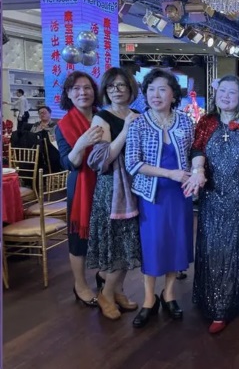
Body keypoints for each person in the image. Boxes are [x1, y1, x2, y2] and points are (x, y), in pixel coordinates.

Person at [185, 75, 239, 334]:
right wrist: (198, 170)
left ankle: (227, 306)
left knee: (236, 250)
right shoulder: (207, 121)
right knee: (211, 247)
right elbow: (197, 149)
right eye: (223, 91)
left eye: (232, 92)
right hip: (212, 195)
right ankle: (208, 299)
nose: (226, 96)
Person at [125, 68, 194, 328]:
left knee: (176, 243)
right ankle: (148, 299)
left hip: (180, 195)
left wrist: (194, 174)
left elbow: (194, 154)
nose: (156, 95)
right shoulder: (139, 123)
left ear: (173, 95)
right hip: (151, 196)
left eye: (162, 89)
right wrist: (169, 173)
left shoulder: (185, 122)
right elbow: (132, 163)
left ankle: (169, 294)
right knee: (153, 245)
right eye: (151, 89)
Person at [86, 67, 142, 320]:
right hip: (113, 190)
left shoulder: (138, 115)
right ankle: (106, 294)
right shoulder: (101, 118)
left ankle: (117, 291)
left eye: (121, 85)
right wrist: (127, 130)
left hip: (135, 186)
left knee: (129, 242)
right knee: (117, 244)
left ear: (131, 88)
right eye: (111, 86)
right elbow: (102, 160)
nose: (116, 90)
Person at [55, 71, 103, 307]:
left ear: (94, 91)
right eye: (76, 88)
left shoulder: (103, 117)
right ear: (68, 94)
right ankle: (80, 285)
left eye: (87, 87)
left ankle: (105, 278)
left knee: (106, 232)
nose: (82, 92)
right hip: (81, 185)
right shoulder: (63, 126)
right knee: (78, 239)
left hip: (107, 182)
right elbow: (68, 163)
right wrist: (82, 143)